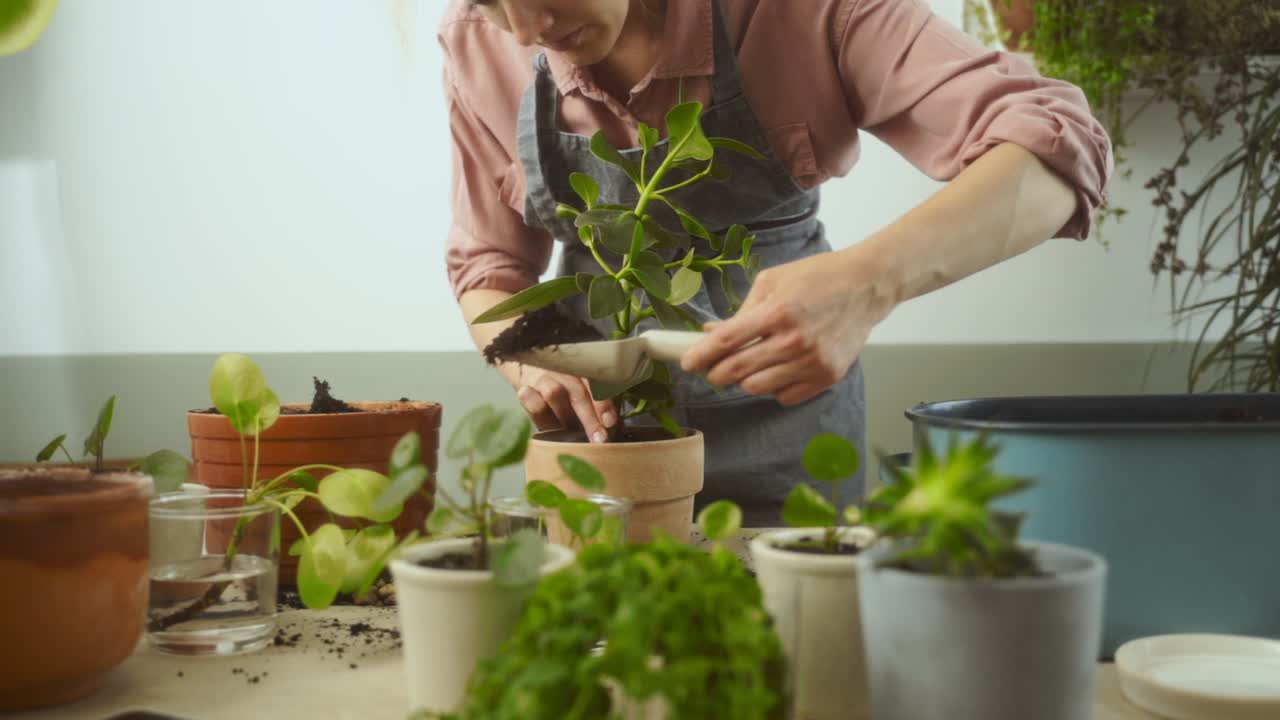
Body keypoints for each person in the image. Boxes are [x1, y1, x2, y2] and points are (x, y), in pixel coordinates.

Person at [440, 0, 1112, 524]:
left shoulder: (800, 11)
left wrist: (868, 282)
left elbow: (1058, 143)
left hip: (792, 445)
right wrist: (529, 361)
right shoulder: (477, 40)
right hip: (597, 458)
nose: (524, 29)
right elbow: (488, 263)